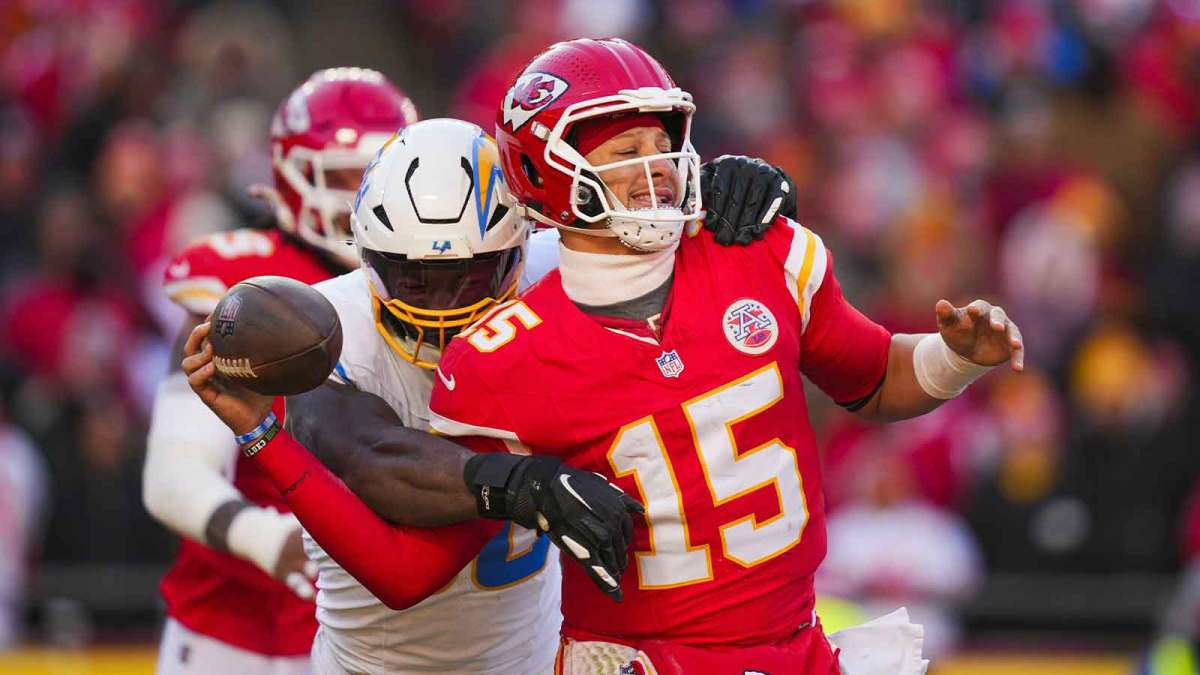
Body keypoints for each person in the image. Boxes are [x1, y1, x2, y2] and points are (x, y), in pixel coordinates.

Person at [422, 38, 1024, 674]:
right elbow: (437, 544)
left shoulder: (758, 250)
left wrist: (953, 358)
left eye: (662, 146)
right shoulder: (501, 356)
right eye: (627, 153)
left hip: (797, 647)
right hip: (632, 661)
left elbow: (872, 377)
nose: (656, 167)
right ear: (546, 173)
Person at [142, 67, 418, 674]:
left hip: (384, 632)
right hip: (240, 637)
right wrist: (275, 541)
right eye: (349, 176)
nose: (367, 193)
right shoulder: (247, 290)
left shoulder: (433, 281)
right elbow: (173, 476)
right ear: (296, 179)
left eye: (386, 171)